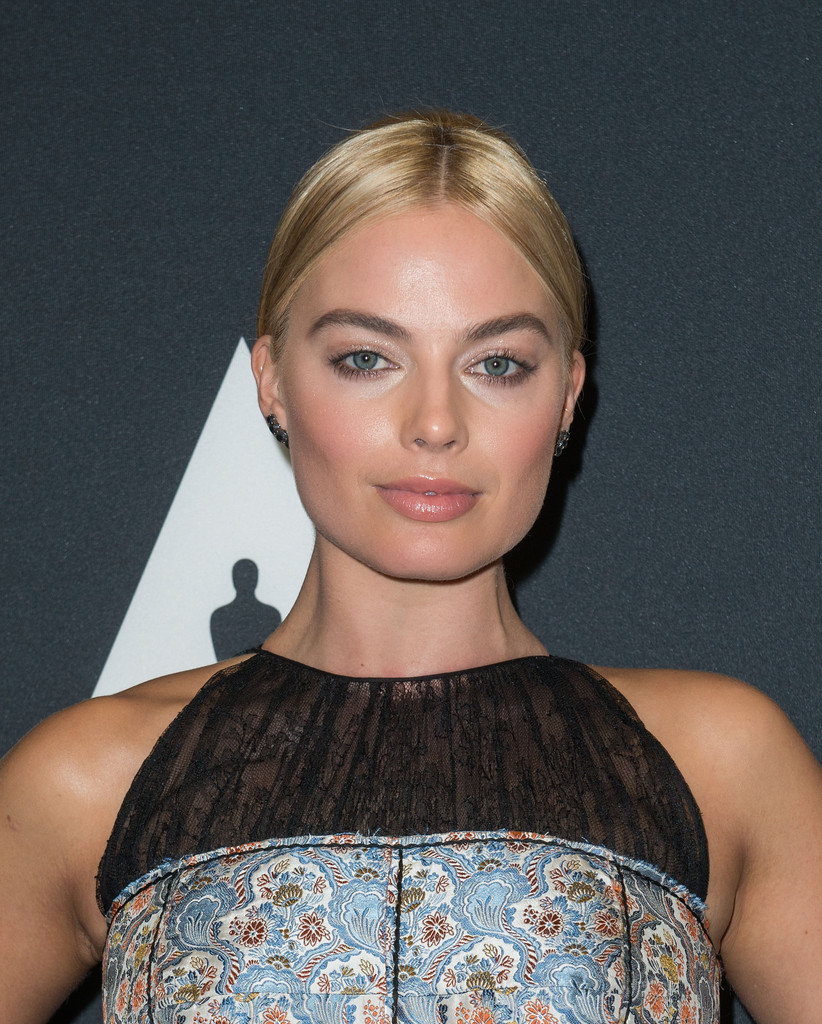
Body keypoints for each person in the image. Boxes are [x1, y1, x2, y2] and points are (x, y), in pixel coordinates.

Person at [1, 111, 821, 1024]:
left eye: (497, 364)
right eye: (366, 358)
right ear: (272, 381)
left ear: (567, 396)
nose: (435, 423)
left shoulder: (722, 767)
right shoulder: (85, 784)